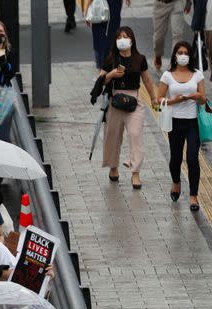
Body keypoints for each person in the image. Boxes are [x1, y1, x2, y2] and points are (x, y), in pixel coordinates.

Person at [100, 26, 159, 189]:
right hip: (115, 101)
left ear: (132, 40)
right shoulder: (111, 58)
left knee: (135, 134)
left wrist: (153, 98)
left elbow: (147, 80)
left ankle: (135, 173)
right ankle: (113, 167)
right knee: (112, 136)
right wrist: (111, 75)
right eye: (119, 37)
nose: (122, 40)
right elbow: (100, 80)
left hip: (135, 100)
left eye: (125, 37)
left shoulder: (140, 58)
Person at [157, 41, 205, 211]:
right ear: (175, 56)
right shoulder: (167, 75)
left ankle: (193, 196)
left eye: (186, 52)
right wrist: (173, 101)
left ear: (190, 55)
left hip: (192, 123)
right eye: (180, 52)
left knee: (192, 158)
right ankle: (176, 182)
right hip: (175, 122)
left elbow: (203, 99)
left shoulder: (197, 74)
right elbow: (158, 99)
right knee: (175, 158)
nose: (183, 55)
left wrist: (196, 96)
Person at [86, 0, 127, 68]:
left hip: (99, 8)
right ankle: (108, 66)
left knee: (99, 39)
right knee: (111, 38)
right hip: (112, 7)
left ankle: (102, 69)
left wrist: (87, 11)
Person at [153, 0, 190, 71]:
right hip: (160, 4)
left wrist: (188, 2)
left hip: (177, 3)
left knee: (177, 34)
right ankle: (158, 54)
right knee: (158, 36)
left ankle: (174, 63)